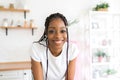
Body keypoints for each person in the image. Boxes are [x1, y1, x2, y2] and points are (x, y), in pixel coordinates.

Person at [30, 13, 79, 80]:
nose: (58, 36)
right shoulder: (37, 48)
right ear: (46, 33)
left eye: (62, 31)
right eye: (52, 31)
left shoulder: (72, 49)